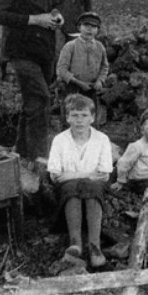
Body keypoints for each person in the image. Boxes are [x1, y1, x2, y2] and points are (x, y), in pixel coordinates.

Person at [0, 0, 64, 163]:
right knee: (41, 99)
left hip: (44, 49)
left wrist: (56, 16)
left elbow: (51, 5)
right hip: (21, 50)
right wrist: (34, 19)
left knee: (32, 103)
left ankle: (21, 153)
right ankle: (39, 159)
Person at [47, 94, 113, 267]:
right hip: (69, 188)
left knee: (92, 188)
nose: (79, 121)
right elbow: (55, 174)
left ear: (92, 118)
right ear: (68, 118)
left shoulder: (102, 139)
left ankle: (94, 245)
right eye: (75, 115)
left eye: (84, 116)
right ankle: (75, 243)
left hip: (94, 187)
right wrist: (84, 174)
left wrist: (71, 174)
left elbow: (103, 172)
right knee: (71, 189)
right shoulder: (60, 140)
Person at [56, 12, 108, 104]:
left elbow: (104, 67)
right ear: (79, 27)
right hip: (72, 89)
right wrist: (78, 83)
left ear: (98, 30)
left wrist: (100, 80)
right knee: (72, 115)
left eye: (94, 26)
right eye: (86, 25)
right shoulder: (70, 46)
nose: (89, 29)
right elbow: (61, 70)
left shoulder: (100, 47)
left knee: (89, 115)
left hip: (91, 89)